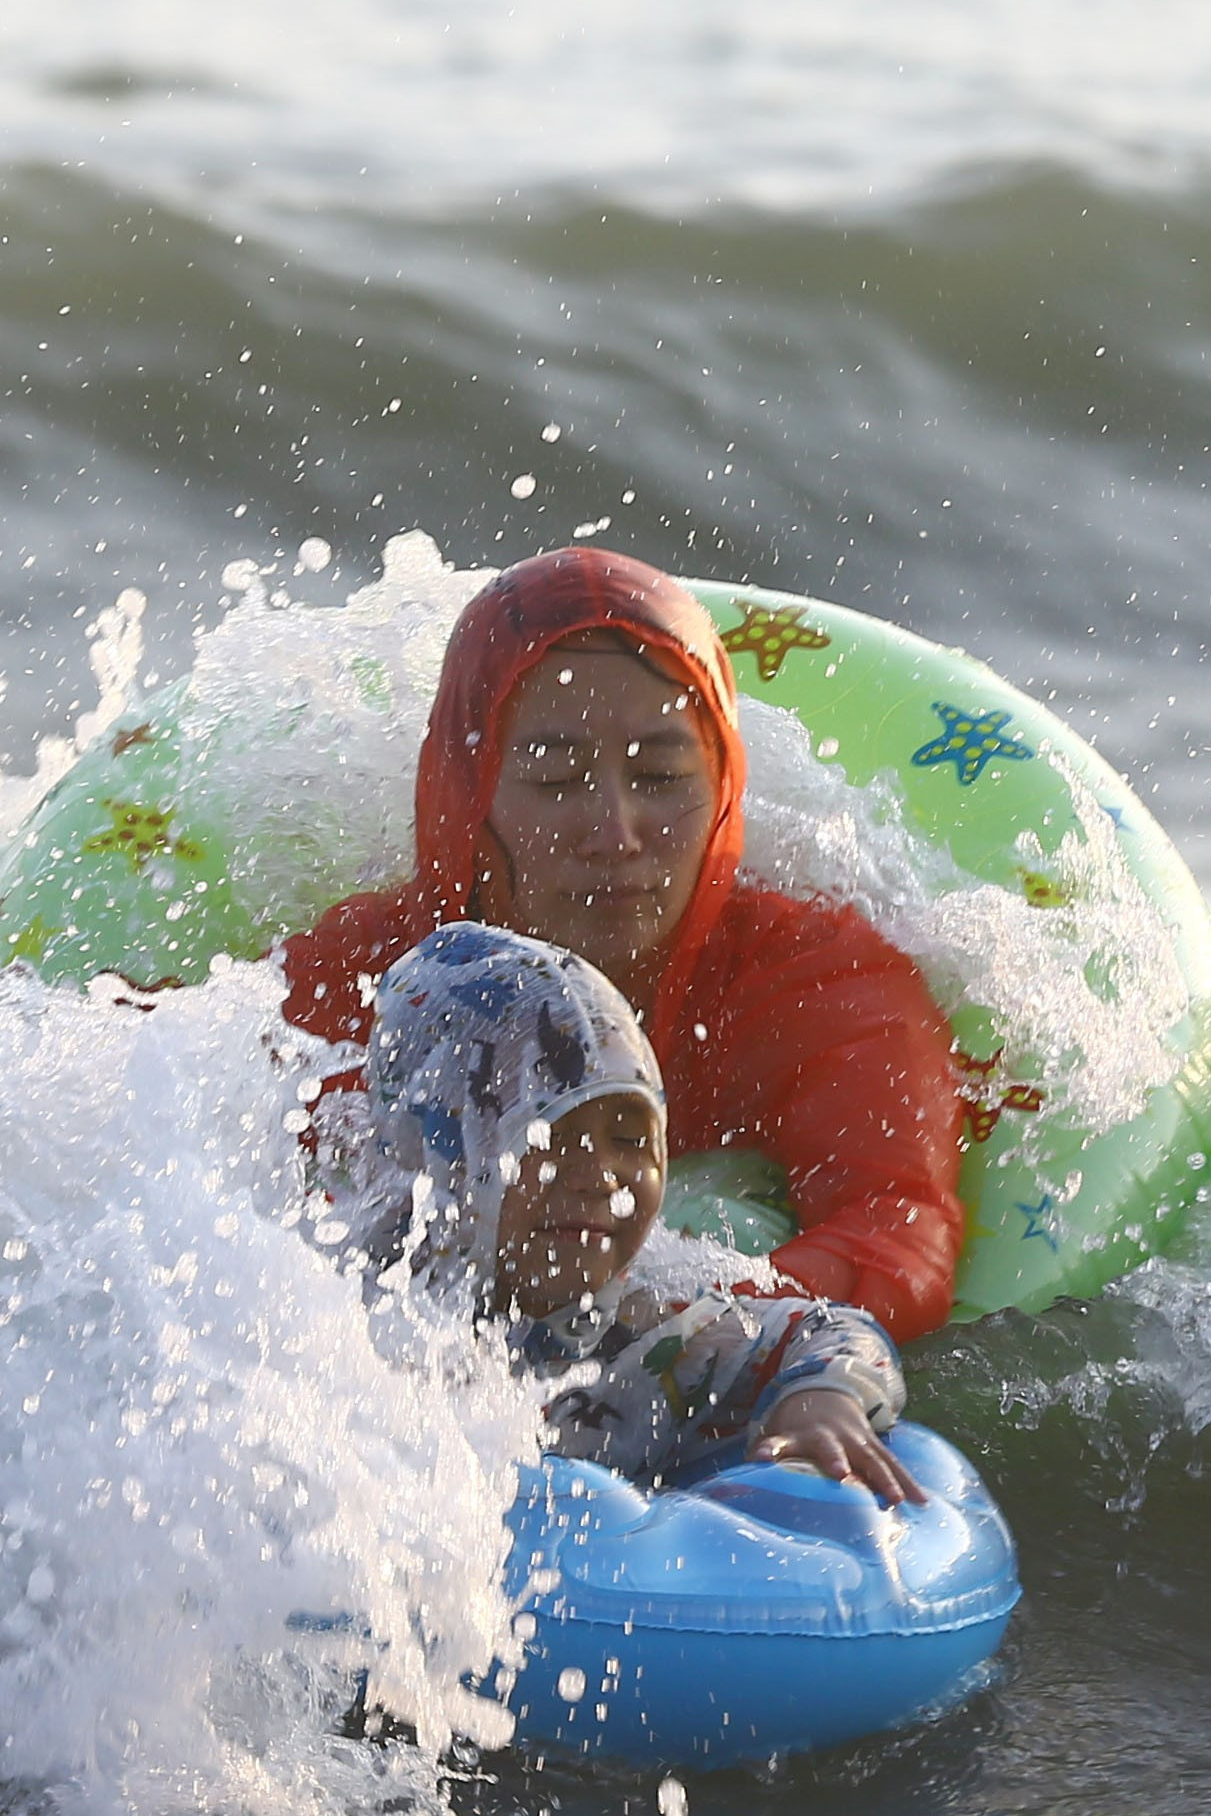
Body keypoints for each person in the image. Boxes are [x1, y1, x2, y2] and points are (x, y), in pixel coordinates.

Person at [278, 547, 967, 1343]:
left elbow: (897, 1225)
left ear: (721, 787)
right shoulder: (376, 976)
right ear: (467, 795)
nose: (617, 833)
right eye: (556, 777)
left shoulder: (811, 980)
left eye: (663, 777)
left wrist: (673, 1327)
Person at [339, 921, 924, 1502]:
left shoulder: (656, 1324)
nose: (602, 1177)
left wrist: (819, 1398)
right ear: (454, 1161)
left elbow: (827, 1327)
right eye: (550, 1137)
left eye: (630, 1141)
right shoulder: (353, 1315)